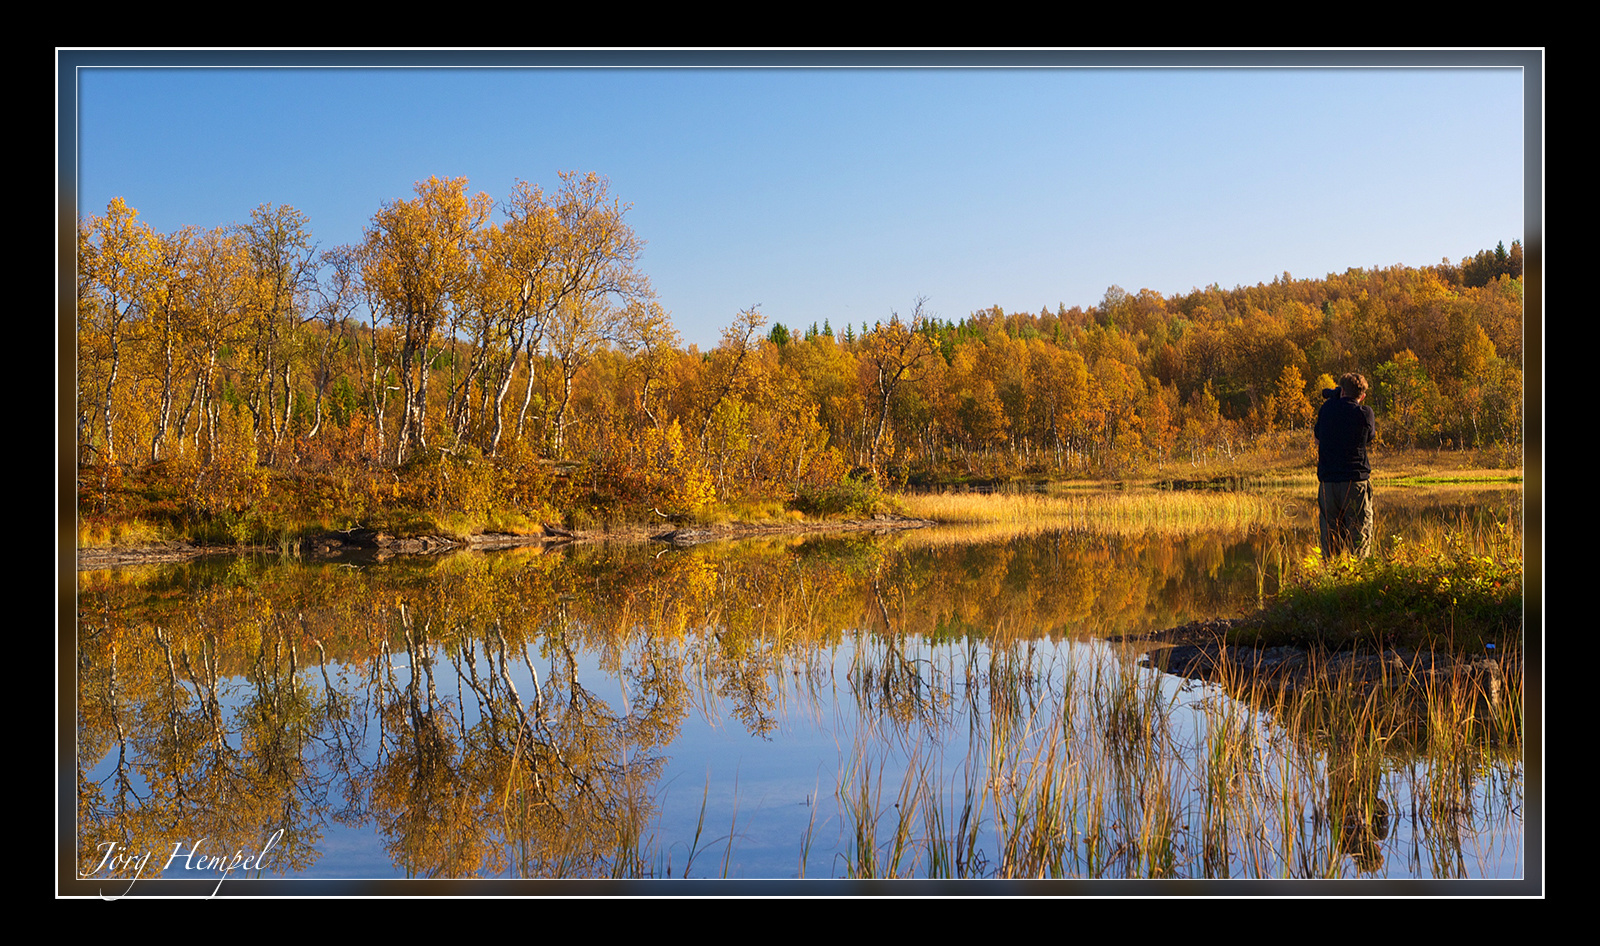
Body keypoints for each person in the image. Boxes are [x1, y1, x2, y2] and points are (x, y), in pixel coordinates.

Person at [1314, 371, 1376, 559]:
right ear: (1362, 396)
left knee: (1330, 540)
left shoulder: (1326, 410)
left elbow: (1317, 439)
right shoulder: (1365, 413)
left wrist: (1334, 401)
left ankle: (1331, 581)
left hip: (1328, 484)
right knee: (1359, 535)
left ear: (1342, 391)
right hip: (1355, 482)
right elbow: (1370, 437)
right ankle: (1357, 580)